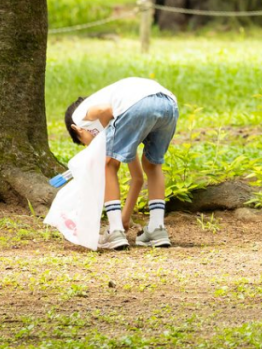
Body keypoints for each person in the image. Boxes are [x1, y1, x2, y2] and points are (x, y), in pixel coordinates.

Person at [65, 77, 179, 250]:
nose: (90, 145)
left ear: (77, 129)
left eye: (84, 142)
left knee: (107, 164)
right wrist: (125, 217)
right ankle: (156, 229)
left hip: (138, 105)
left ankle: (115, 230)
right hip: (168, 105)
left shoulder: (79, 115)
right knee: (152, 165)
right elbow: (137, 178)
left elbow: (104, 110)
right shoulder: (121, 119)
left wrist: (107, 152)